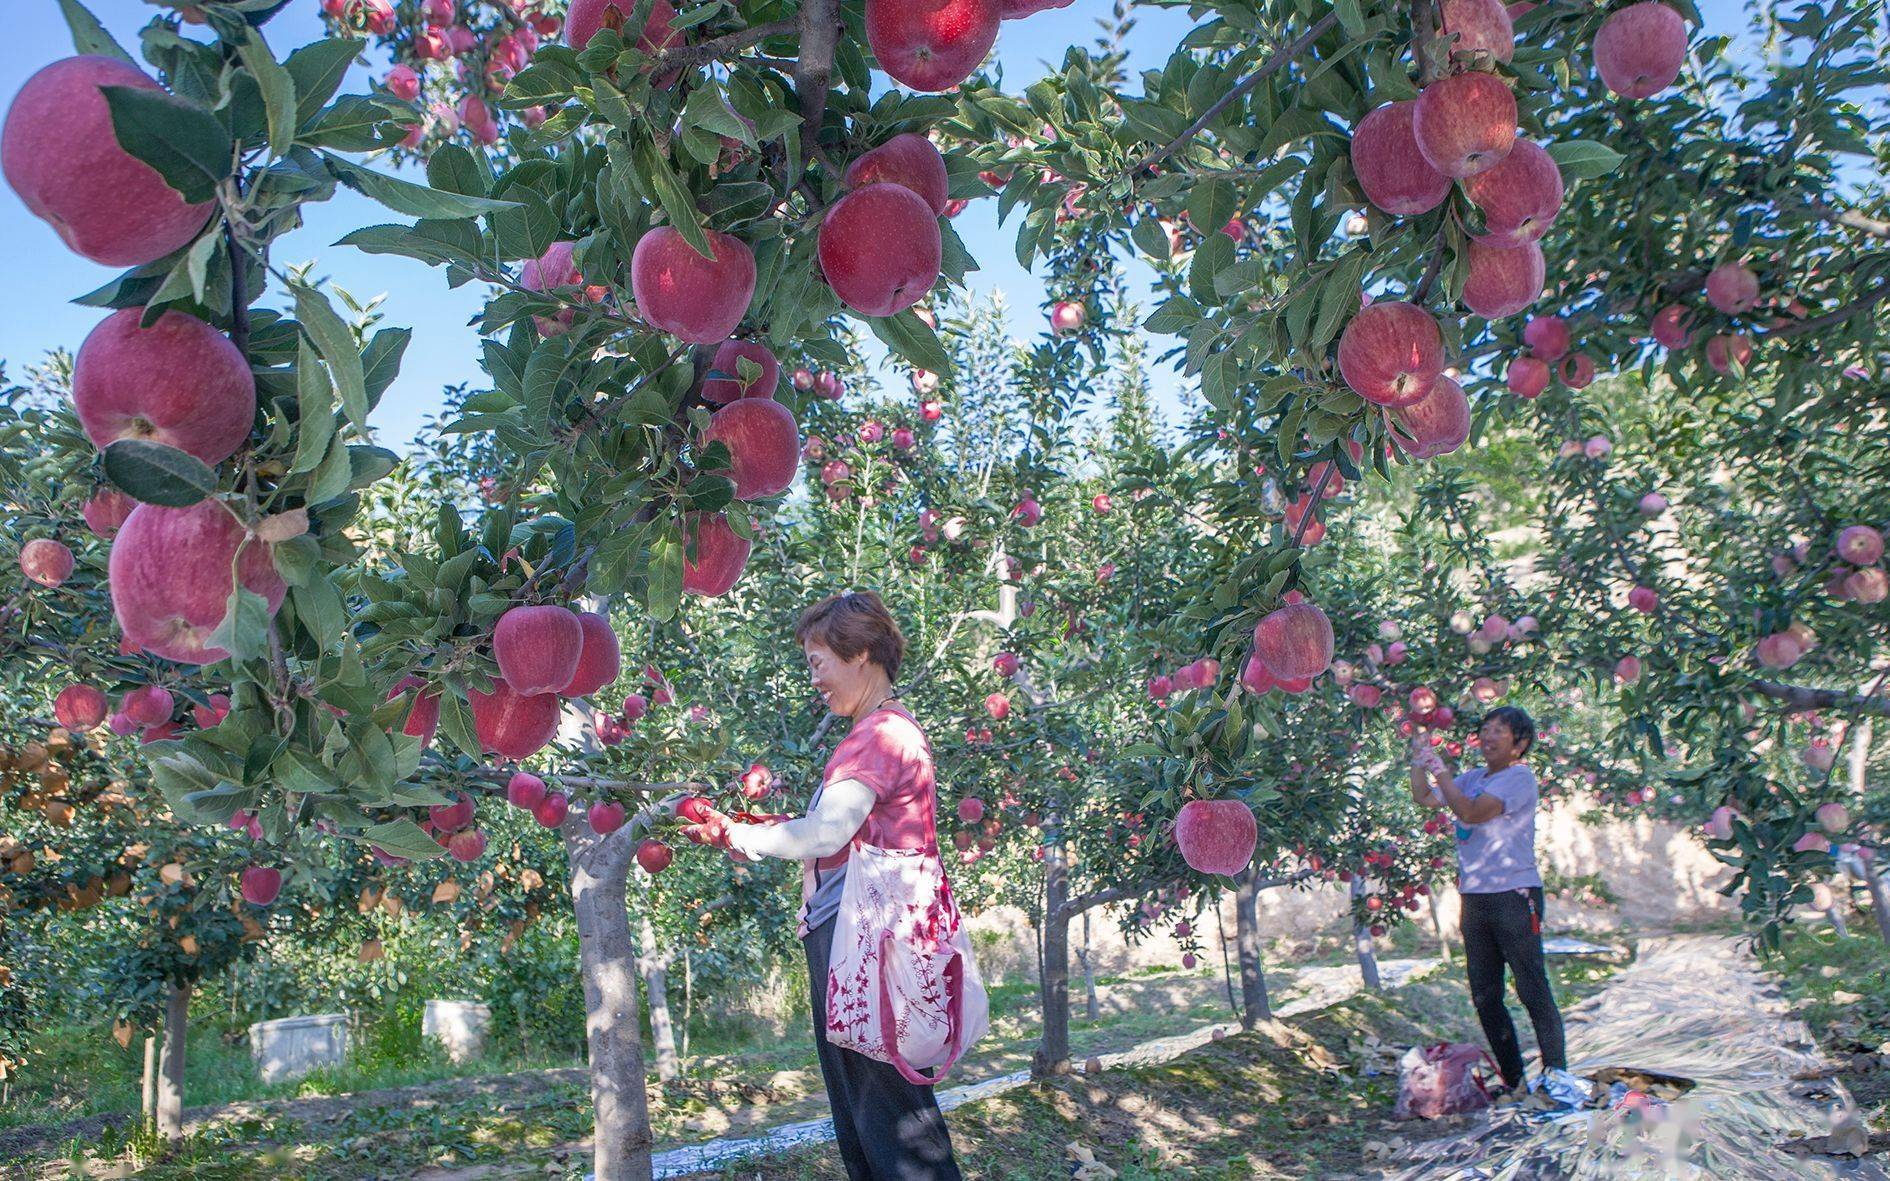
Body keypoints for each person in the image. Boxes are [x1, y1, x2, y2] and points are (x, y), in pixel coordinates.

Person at [686, 590, 962, 1181]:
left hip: (865, 940)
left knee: (889, 1110)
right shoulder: (878, 733)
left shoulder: (881, 736)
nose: (813, 677)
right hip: (857, 935)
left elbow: (825, 831)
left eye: (818, 661)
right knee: (864, 1106)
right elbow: (837, 839)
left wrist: (741, 835)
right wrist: (749, 830)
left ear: (860, 651)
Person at [1407, 705, 1568, 1097]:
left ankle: (1557, 1080)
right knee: (1485, 995)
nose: (1489, 736)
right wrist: (1419, 761)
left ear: (1520, 743)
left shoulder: (1519, 780)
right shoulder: (1474, 777)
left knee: (1532, 989)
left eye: (1500, 730)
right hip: (1475, 899)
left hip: (1514, 896)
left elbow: (1470, 812)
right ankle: (1515, 1082)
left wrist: (1441, 769)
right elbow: (1426, 798)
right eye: (1486, 729)